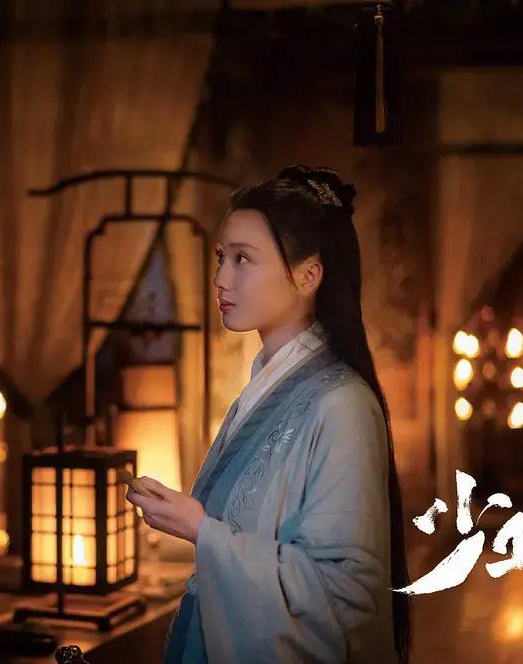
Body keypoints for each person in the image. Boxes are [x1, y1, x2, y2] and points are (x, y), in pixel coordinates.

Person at [126, 166, 411, 663]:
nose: (220, 278)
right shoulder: (264, 389)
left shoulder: (343, 405)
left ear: (308, 275)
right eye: (221, 257)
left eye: (243, 259)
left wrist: (202, 531)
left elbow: (346, 595)